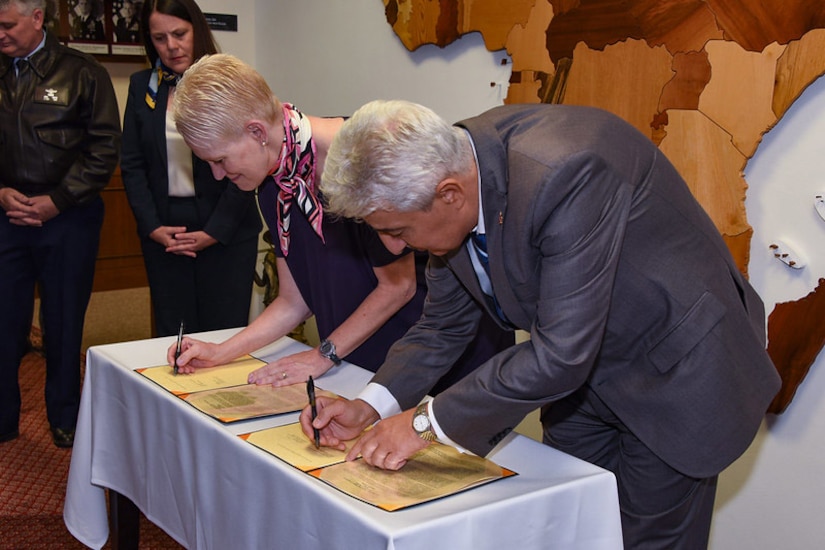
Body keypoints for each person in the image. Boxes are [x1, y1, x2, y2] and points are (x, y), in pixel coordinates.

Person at [302, 99, 782, 549]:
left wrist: (423, 425)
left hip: (676, 373)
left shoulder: (567, 170)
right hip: (583, 385)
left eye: (396, 230)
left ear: (449, 194)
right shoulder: (455, 180)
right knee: (569, 524)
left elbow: (558, 354)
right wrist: (371, 405)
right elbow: (442, 327)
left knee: (643, 543)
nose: (392, 247)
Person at [168, 54, 512, 394]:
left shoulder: (359, 158)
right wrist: (221, 352)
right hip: (358, 363)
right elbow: (293, 300)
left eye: (219, 160)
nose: (217, 174)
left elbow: (398, 286)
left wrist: (322, 355)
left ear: (257, 131)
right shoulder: (275, 183)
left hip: (437, 358)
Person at [0, 0, 121, 447]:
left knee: (63, 322)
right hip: (6, 218)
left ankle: (66, 417)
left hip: (68, 220)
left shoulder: (83, 72)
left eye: (7, 24)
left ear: (37, 18)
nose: (0, 34)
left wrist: (57, 200)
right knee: (4, 322)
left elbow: (104, 148)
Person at [121, 0, 262, 338]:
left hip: (226, 229)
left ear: (197, 28)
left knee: (224, 337)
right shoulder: (144, 86)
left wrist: (215, 231)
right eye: (159, 37)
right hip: (166, 233)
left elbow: (251, 162)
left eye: (179, 33)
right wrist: (152, 226)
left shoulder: (233, 81)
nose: (171, 46)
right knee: (175, 339)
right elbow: (133, 163)